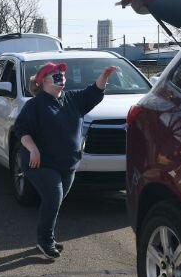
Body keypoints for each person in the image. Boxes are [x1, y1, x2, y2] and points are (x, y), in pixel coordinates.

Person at [14, 62, 118, 260]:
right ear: (43, 80)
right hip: (40, 163)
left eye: (62, 74)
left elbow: (94, 91)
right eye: (55, 74)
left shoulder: (73, 99)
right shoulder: (34, 105)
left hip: (67, 163)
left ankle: (46, 239)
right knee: (53, 197)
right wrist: (33, 148)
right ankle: (45, 241)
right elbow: (22, 130)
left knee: (55, 201)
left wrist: (105, 75)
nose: (61, 76)